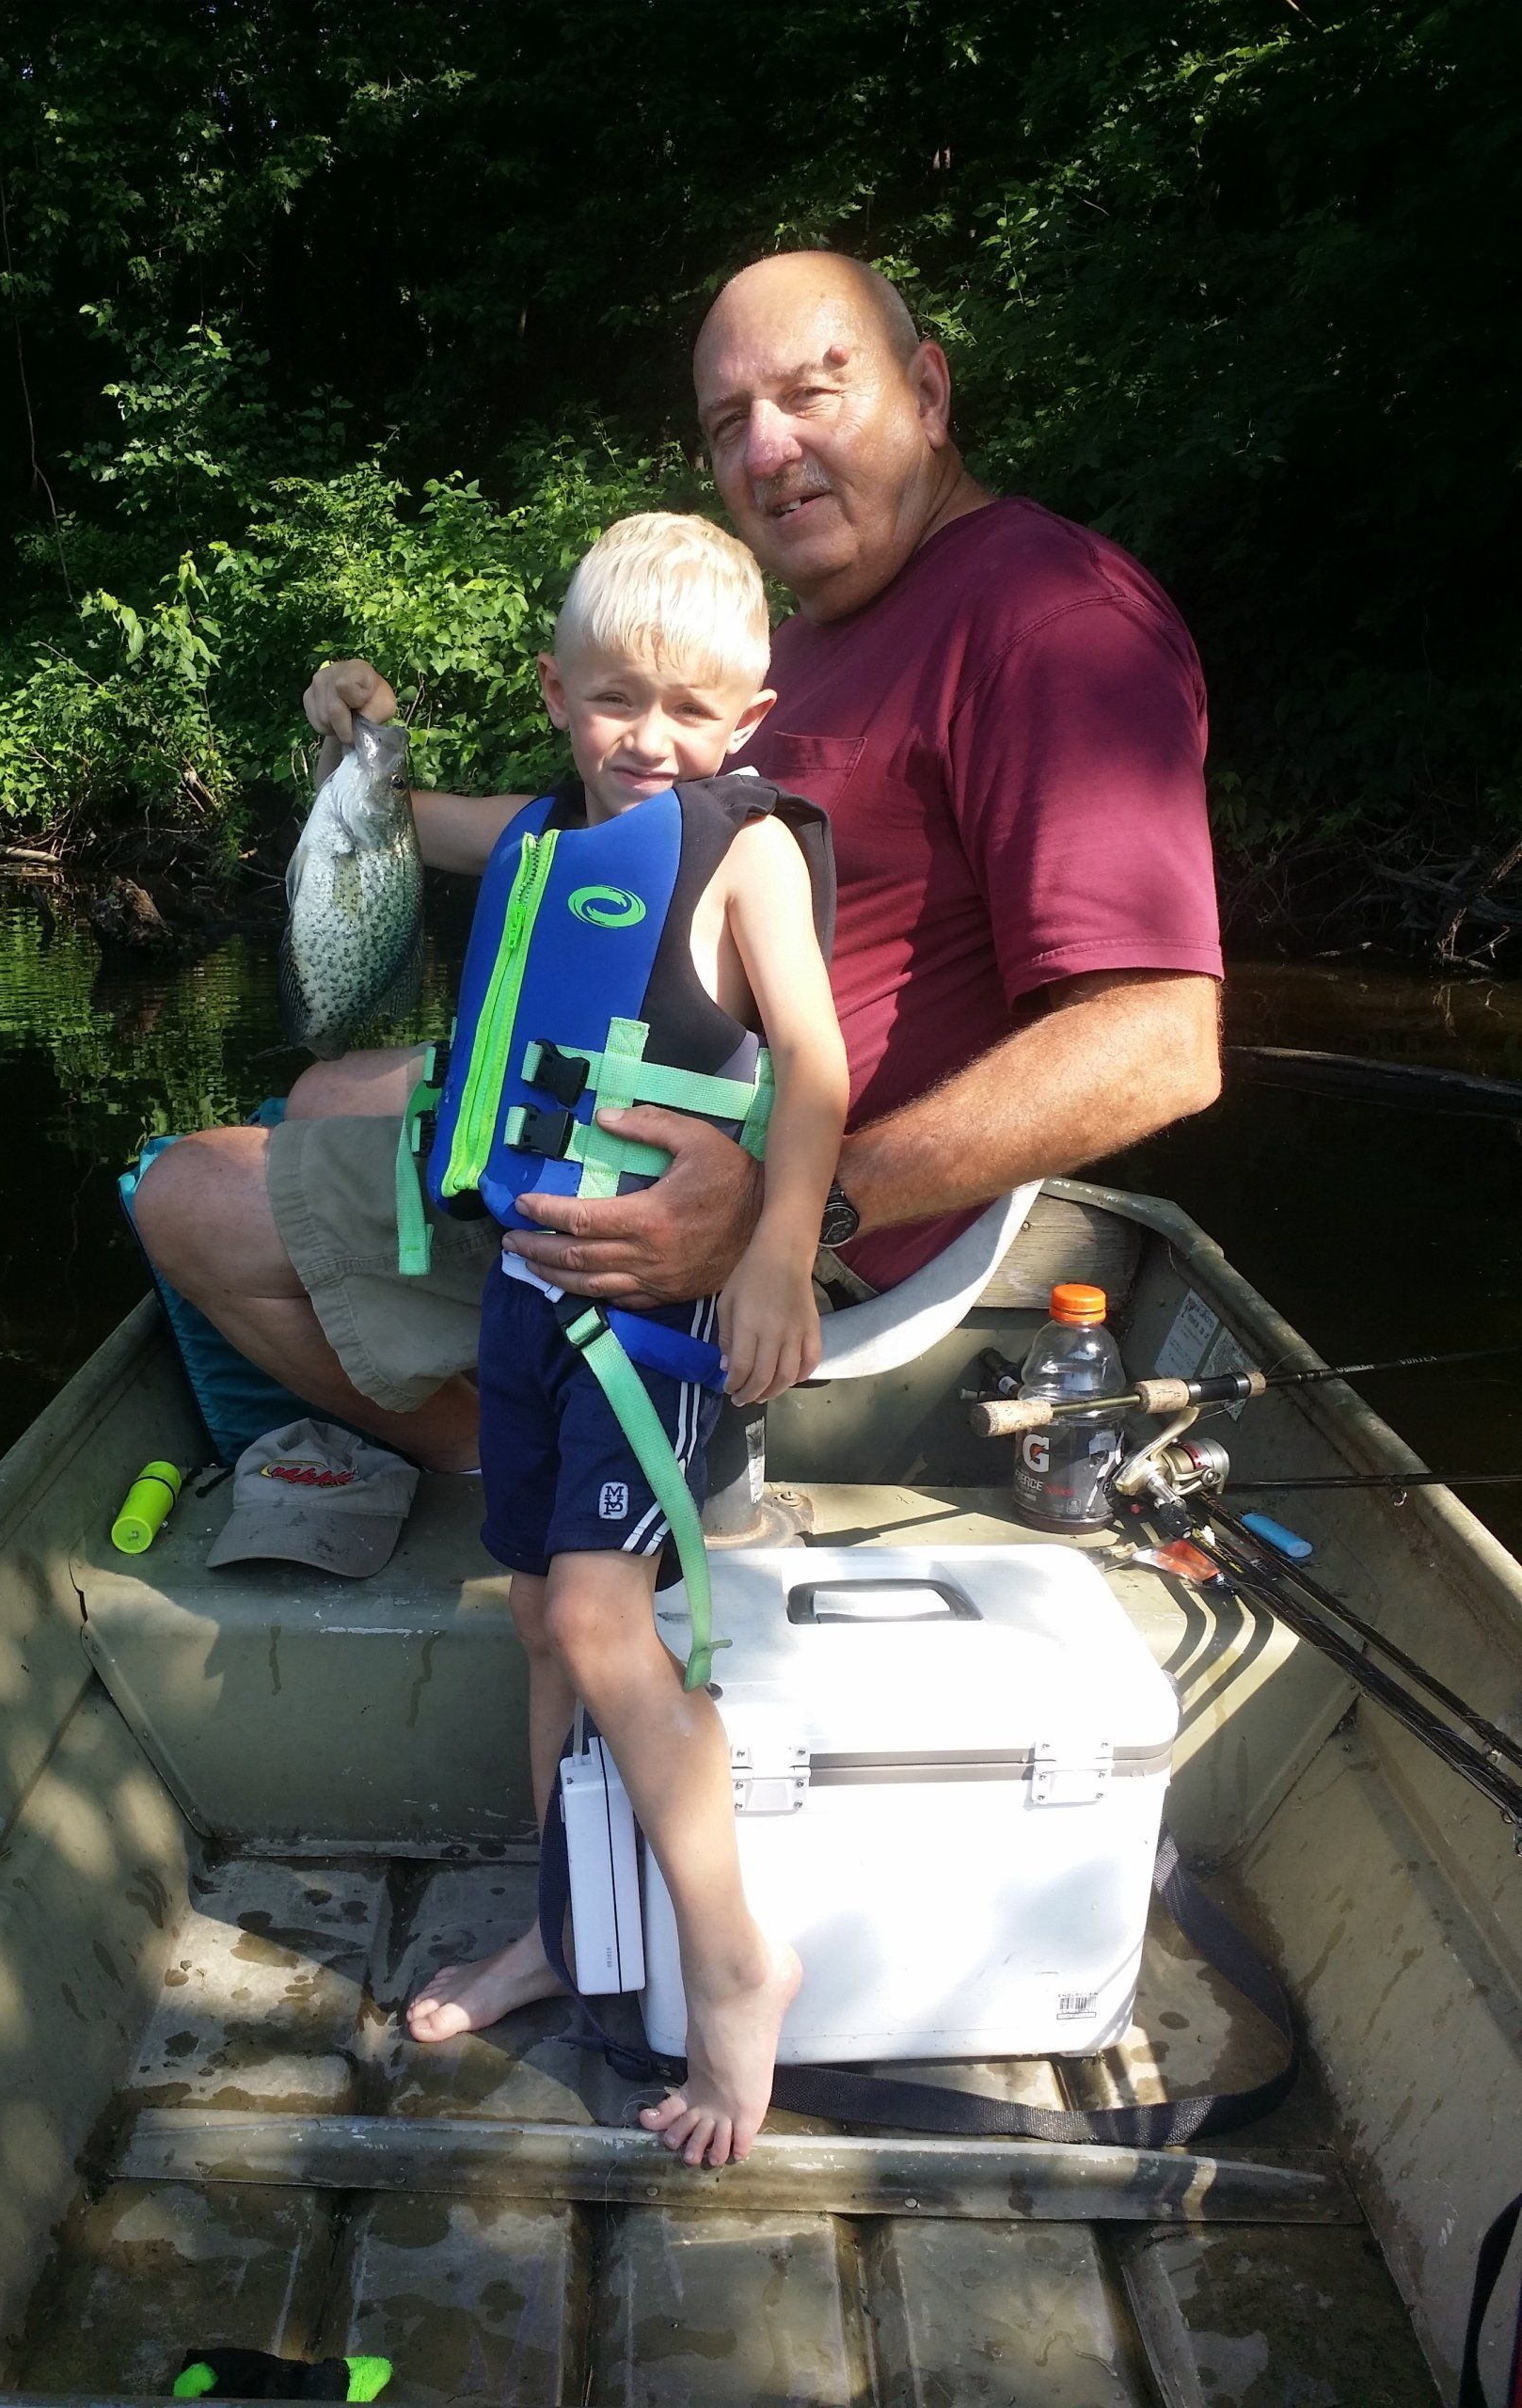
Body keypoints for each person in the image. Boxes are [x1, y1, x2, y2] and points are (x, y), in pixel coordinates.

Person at [132, 246, 1223, 2064]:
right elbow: (592, 821)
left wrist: (798, 1210)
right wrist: (382, 779)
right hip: (666, 1126)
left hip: (792, 1207)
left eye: (816, 392)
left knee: (185, 1190)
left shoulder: (1049, 620)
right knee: (332, 1102)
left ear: (929, 388)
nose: (771, 446)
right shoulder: (798, 639)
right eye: (731, 418)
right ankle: (603, 1494)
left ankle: (613, 1490)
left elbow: (1163, 1040)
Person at [396, 511, 847, 2166]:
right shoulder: (532, 835)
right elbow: (398, 817)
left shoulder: (748, 850)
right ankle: (572, 1933)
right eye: (612, 700)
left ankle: (736, 1965)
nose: (648, 738)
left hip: (650, 1328)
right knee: (535, 1619)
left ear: (747, 718)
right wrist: (349, 730)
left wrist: (780, 1254)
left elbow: (814, 1065)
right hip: (529, 1298)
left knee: (599, 1628)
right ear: (556, 692)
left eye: (687, 707)